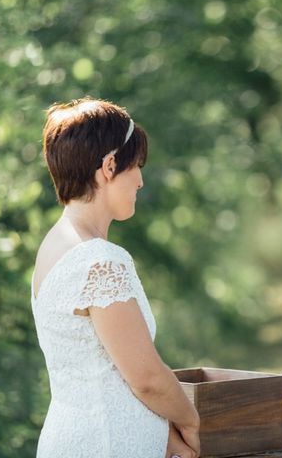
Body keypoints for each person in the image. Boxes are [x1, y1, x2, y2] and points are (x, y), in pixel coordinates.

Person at [32, 98, 200, 458]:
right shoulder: (99, 260)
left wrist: (165, 439)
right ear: (109, 166)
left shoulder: (54, 246)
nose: (140, 180)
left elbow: (105, 374)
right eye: (137, 166)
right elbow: (147, 379)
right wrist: (191, 421)